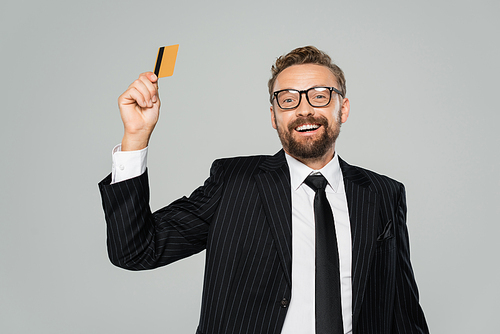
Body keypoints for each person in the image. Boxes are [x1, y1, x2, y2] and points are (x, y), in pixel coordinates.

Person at [99, 46, 429, 334]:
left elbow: (402, 310)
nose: (303, 109)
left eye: (319, 95)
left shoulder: (384, 193)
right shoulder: (234, 182)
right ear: (274, 116)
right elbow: (135, 251)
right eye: (287, 100)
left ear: (342, 108)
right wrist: (136, 138)